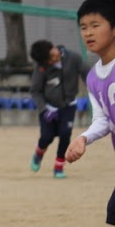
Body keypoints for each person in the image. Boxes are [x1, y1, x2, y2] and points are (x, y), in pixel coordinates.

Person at [65, 0, 115, 227]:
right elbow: (102, 120)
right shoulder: (94, 77)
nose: (88, 33)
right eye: (83, 27)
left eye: (95, 25)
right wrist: (84, 138)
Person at [29, 38, 85, 178]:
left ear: (54, 47)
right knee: (47, 137)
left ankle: (59, 167)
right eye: (49, 60)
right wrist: (44, 109)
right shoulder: (41, 68)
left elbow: (88, 75)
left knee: (65, 134)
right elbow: (35, 91)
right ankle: (39, 152)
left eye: (53, 54)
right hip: (49, 108)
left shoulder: (73, 58)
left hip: (68, 105)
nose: (54, 59)